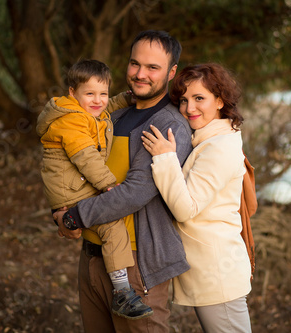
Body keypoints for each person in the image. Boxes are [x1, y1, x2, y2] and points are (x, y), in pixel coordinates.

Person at [53, 30, 193, 332]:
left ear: (171, 72)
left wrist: (75, 216)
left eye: (153, 68)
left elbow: (136, 192)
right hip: (92, 255)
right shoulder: (110, 116)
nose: (140, 74)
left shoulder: (168, 125)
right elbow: (73, 165)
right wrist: (60, 209)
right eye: (134, 64)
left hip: (136, 266)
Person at [36, 59, 153, 320]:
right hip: (72, 190)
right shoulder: (71, 122)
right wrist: (109, 185)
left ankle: (121, 290)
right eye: (89, 93)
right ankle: (122, 292)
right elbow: (86, 157)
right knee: (112, 226)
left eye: (103, 93)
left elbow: (105, 107)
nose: (98, 100)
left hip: (72, 187)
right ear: (72, 93)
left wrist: (124, 98)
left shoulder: (83, 111)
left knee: (109, 224)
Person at [141, 63, 253, 332]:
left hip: (218, 276)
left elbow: (185, 208)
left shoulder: (219, 148)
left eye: (199, 98)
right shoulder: (208, 140)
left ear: (220, 101)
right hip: (212, 274)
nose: (189, 108)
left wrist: (165, 157)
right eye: (184, 100)